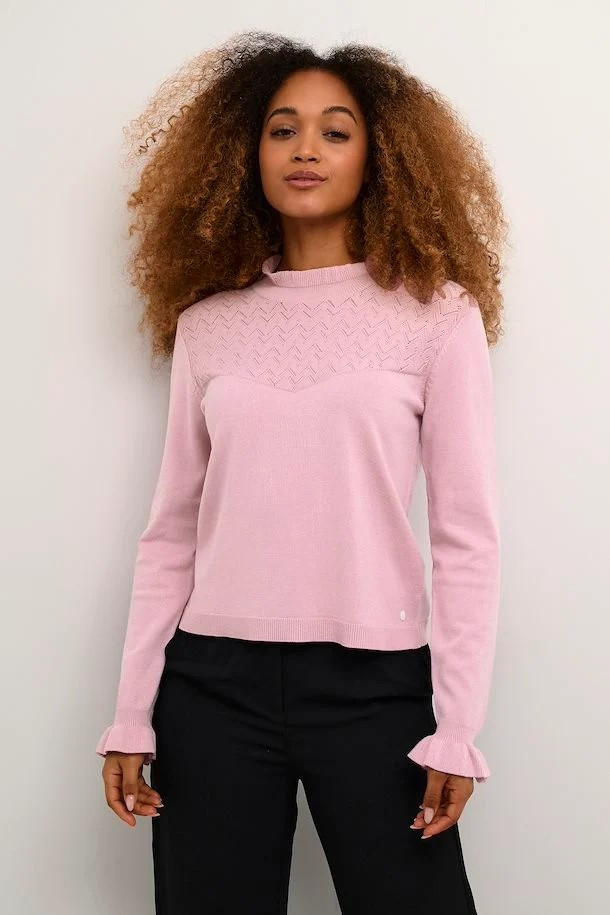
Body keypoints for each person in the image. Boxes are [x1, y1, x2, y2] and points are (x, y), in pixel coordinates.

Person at [96, 29, 507, 915]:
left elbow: (467, 537)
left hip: (376, 688)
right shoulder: (209, 323)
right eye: (282, 129)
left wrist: (457, 726)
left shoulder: (438, 315)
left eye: (335, 130)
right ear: (245, 155)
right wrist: (131, 711)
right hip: (211, 688)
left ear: (380, 154)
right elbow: (171, 530)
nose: (305, 149)